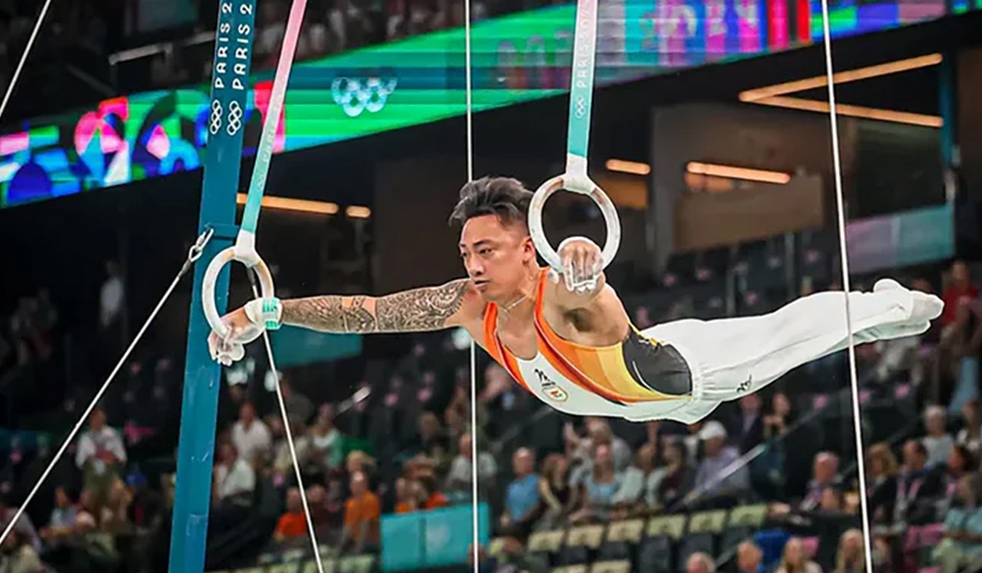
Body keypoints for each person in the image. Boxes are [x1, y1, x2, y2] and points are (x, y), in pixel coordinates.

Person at [211, 177, 943, 424]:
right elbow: (370, 313)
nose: (472, 266)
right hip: (639, 402)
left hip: (680, 375)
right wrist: (269, 311)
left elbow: (597, 307)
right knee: (788, 333)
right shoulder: (470, 306)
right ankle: (880, 313)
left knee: (796, 331)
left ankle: (892, 307)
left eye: (486, 250)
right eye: (467, 253)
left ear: (528, 247)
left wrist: (587, 270)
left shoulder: (561, 293)